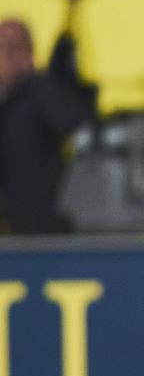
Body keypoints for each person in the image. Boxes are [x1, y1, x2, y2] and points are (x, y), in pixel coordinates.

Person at [0, 19, 93, 233]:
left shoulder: (44, 92)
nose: (4, 57)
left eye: (11, 48)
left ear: (28, 55)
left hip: (35, 205)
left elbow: (75, 127)